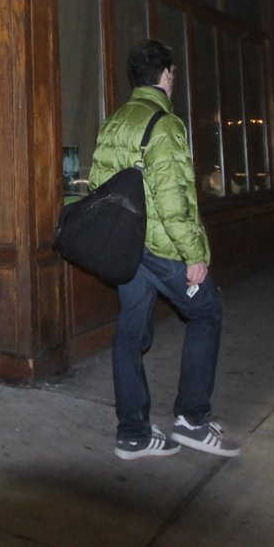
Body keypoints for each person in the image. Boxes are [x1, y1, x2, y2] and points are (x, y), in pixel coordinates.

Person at [88, 38, 240, 460]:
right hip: (161, 246)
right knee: (207, 312)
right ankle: (192, 418)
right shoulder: (165, 124)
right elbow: (173, 200)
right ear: (165, 76)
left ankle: (133, 433)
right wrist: (194, 254)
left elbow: (101, 184)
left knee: (131, 332)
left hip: (128, 247)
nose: (174, 82)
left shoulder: (114, 121)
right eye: (173, 75)